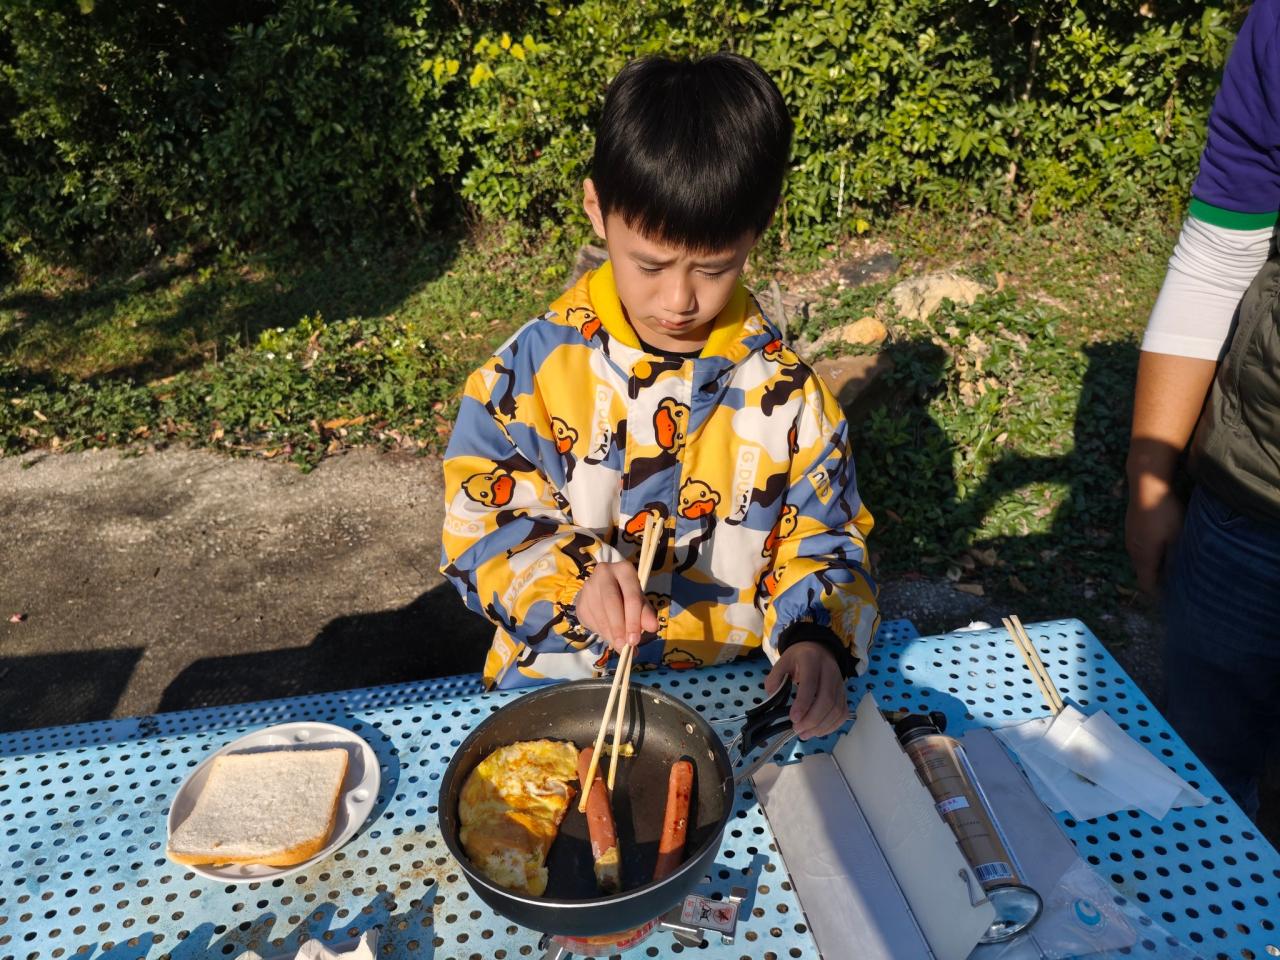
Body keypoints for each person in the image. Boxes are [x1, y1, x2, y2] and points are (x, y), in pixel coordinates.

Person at [439, 53, 880, 741]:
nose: (678, 299)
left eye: (714, 267)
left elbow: (823, 541)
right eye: (649, 264)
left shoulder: (791, 399)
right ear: (597, 210)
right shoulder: (527, 376)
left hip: (727, 701)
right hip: (559, 692)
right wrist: (574, 581)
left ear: (758, 230)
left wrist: (816, 638)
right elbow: (482, 529)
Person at [1126, 0, 1280, 819]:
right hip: (1251, 498)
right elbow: (1222, 250)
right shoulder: (1276, 28)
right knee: (1199, 782)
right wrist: (1151, 475)